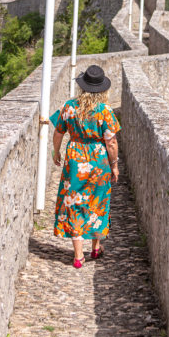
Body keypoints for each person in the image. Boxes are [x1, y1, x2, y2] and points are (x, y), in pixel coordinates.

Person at [52, 64, 120, 269]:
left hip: (75, 158)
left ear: (82, 86)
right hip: (98, 161)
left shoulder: (69, 106)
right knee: (98, 203)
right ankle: (96, 247)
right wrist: (114, 165)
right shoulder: (104, 111)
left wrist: (56, 152)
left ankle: (78, 255)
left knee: (75, 203)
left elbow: (58, 132)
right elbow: (112, 142)